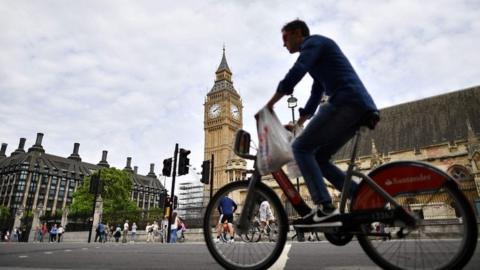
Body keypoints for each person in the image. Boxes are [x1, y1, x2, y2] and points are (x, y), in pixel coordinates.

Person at [264, 19, 377, 227]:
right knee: (319, 158)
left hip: (346, 101)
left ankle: (324, 207)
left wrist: (270, 104)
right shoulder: (319, 57)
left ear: (298, 33)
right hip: (358, 106)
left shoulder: (314, 44)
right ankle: (361, 198)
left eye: (285, 38)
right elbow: (316, 93)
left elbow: (297, 71)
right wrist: (300, 122)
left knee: (301, 148)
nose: (283, 44)